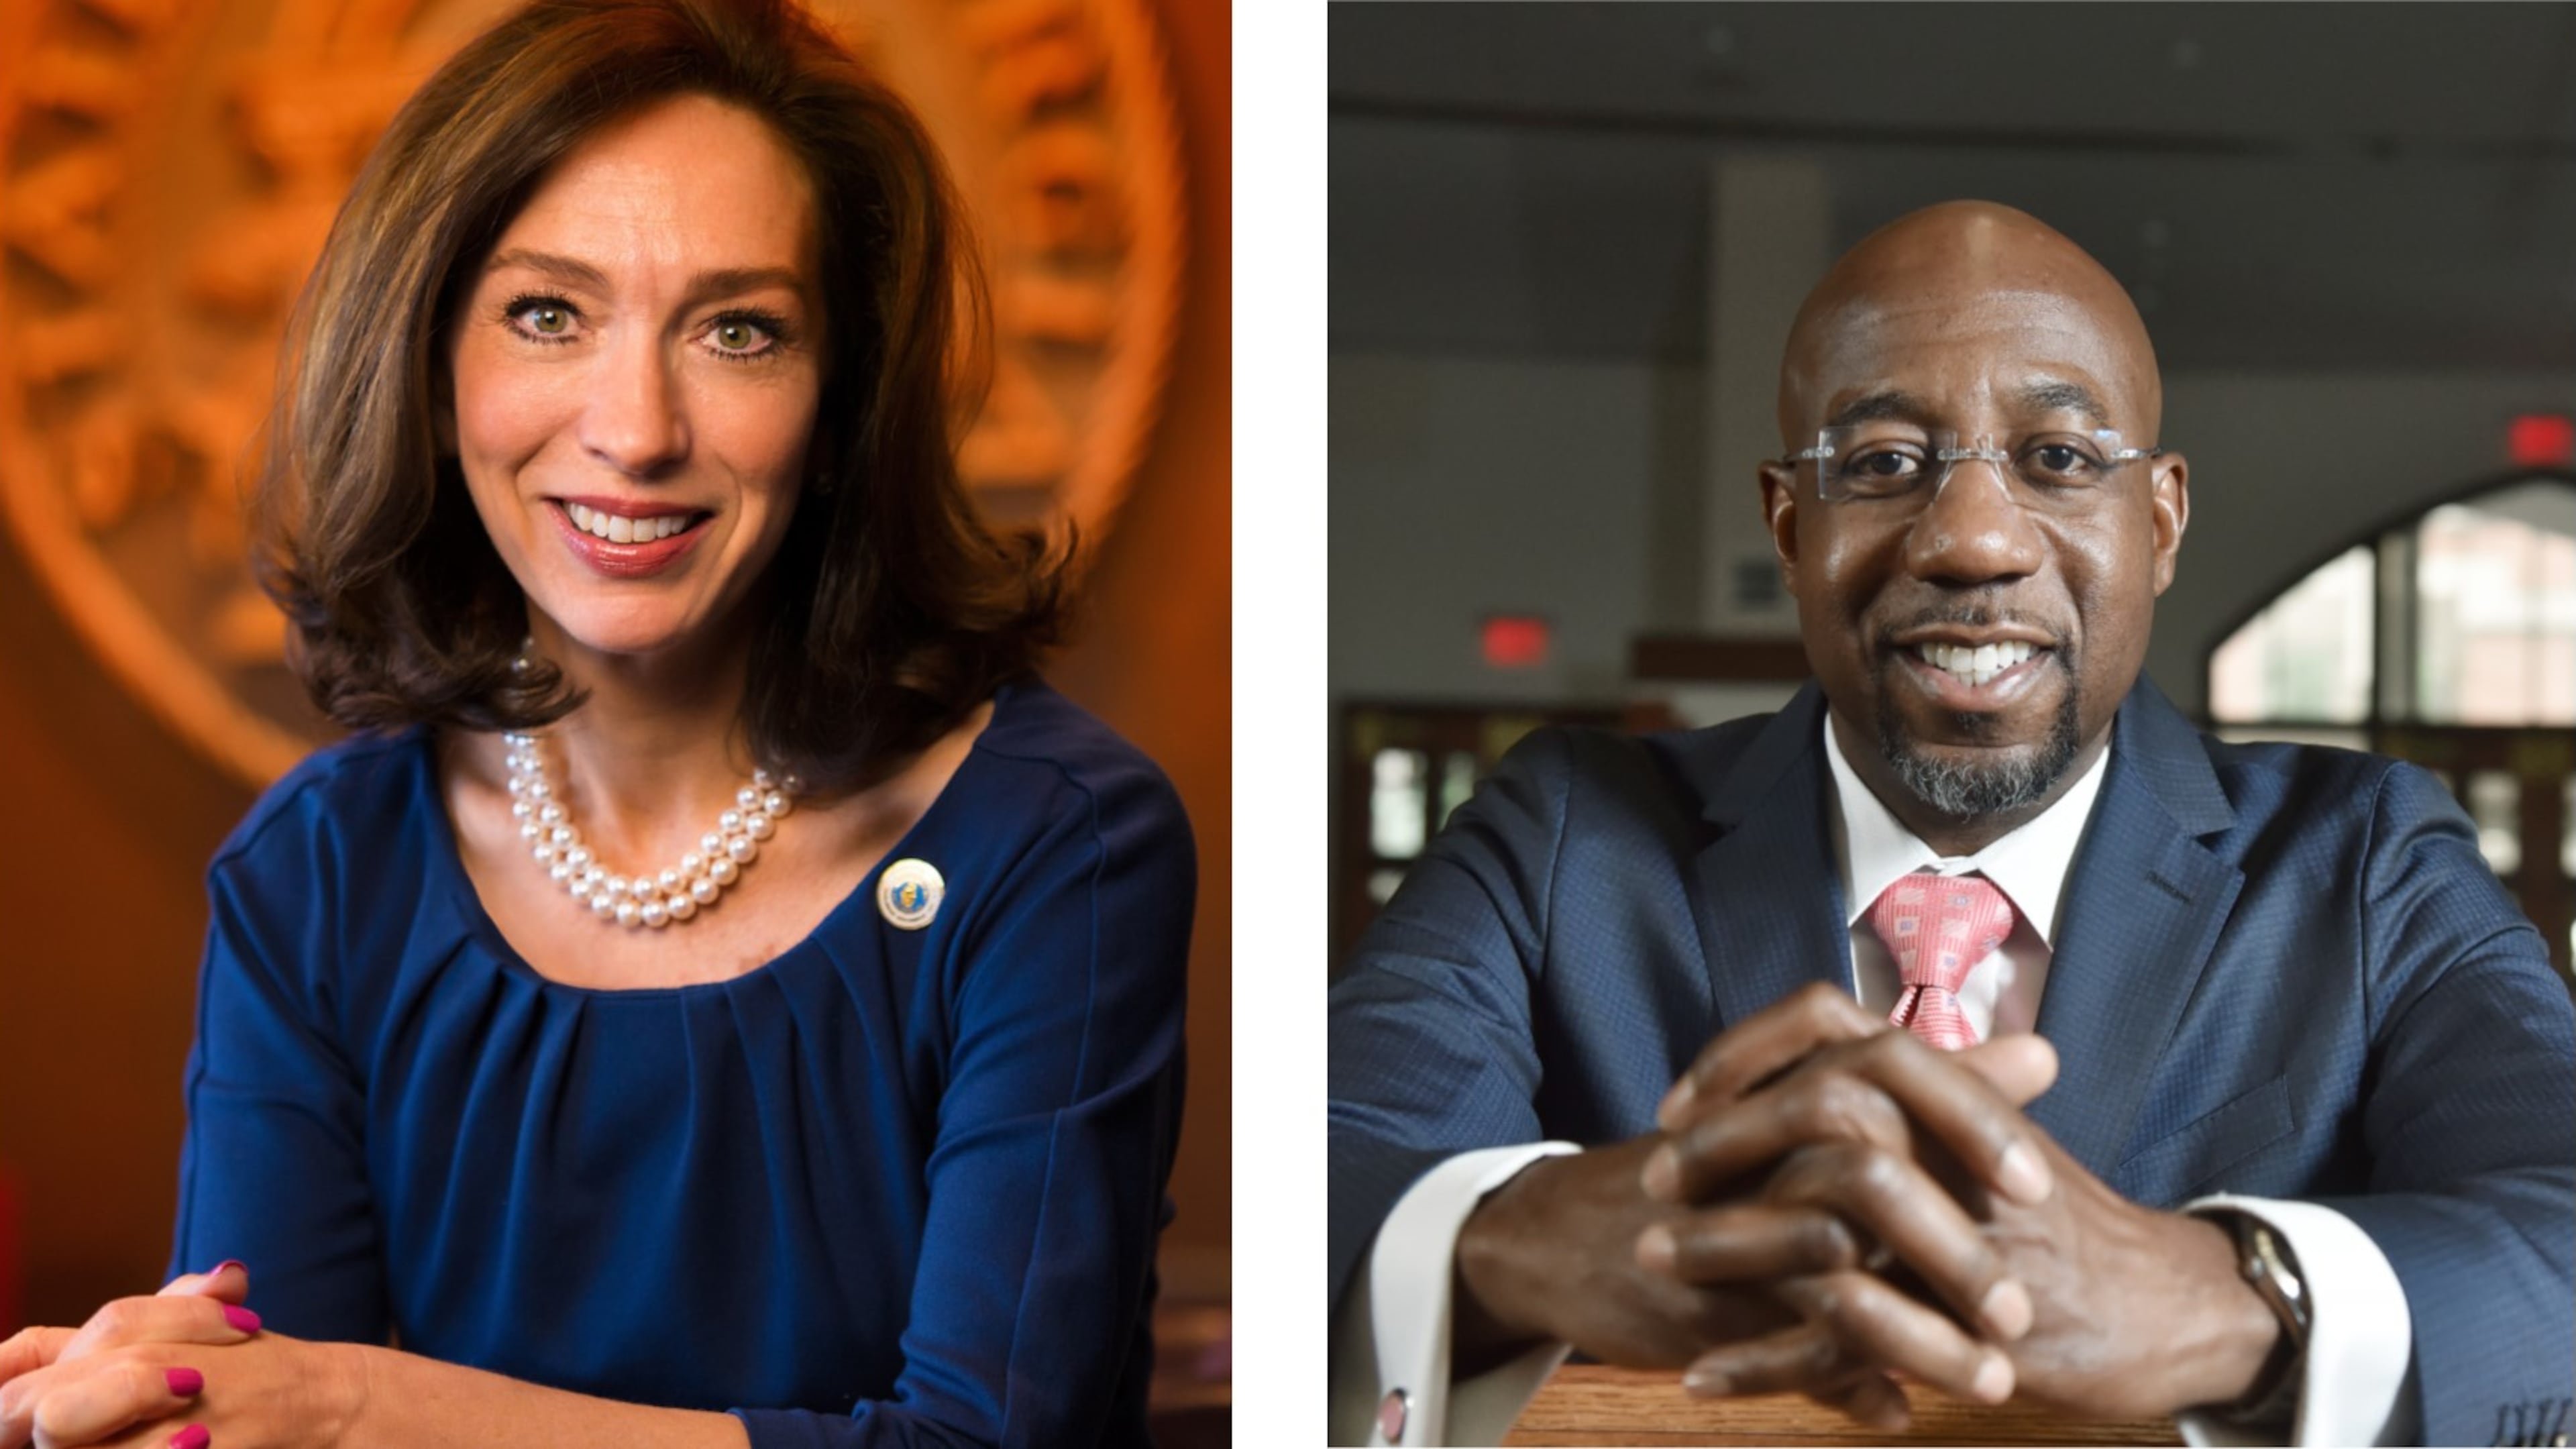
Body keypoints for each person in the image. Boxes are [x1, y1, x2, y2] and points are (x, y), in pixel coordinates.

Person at [0, 1, 1192, 1445]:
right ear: (433, 364)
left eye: (740, 331)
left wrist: (357, 1402)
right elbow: (256, 1411)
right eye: (547, 314)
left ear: (842, 406)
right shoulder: (320, 867)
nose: (636, 430)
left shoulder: (1055, 843)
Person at [1328, 202, 2575, 1447]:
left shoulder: (2368, 863)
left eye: (2061, 457)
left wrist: (2216, 1297)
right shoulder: (1562, 837)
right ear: (1790, 527)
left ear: (2159, 523)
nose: (1973, 541)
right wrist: (1522, 1237)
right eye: (1881, 463)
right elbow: (1317, 1172)